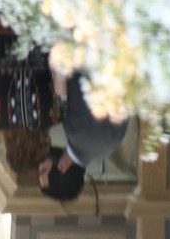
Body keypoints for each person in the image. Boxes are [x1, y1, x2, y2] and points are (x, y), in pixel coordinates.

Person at [39, 71, 130, 201]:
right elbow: (74, 75)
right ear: (62, 167)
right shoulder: (76, 132)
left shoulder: (113, 144)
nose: (39, 164)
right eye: (44, 169)